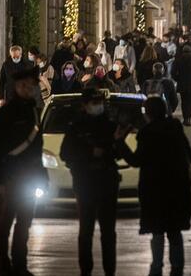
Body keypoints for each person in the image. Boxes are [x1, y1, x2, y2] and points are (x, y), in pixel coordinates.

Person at [118, 96, 191, 276]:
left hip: (155, 190)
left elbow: (136, 161)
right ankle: (177, 269)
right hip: (177, 188)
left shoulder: (147, 133)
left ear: (148, 113)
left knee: (158, 232)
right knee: (175, 233)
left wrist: (120, 142)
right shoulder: (175, 129)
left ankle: (156, 268)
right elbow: (188, 156)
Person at [0, 67, 47, 276]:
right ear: (16, 86)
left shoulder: (33, 111)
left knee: (24, 222)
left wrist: (42, 175)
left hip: (29, 176)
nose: (28, 89)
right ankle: (3, 268)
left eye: (31, 86)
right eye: (24, 85)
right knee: (4, 223)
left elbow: (37, 147)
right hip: (11, 176)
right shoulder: (6, 113)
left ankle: (20, 266)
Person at [60, 88, 121, 276]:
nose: (98, 107)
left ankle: (109, 270)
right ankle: (85, 270)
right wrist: (89, 154)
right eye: (94, 103)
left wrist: (114, 146)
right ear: (85, 105)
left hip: (107, 182)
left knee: (108, 231)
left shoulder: (110, 125)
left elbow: (119, 152)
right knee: (86, 230)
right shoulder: (76, 126)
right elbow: (65, 153)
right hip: (85, 182)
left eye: (100, 103)